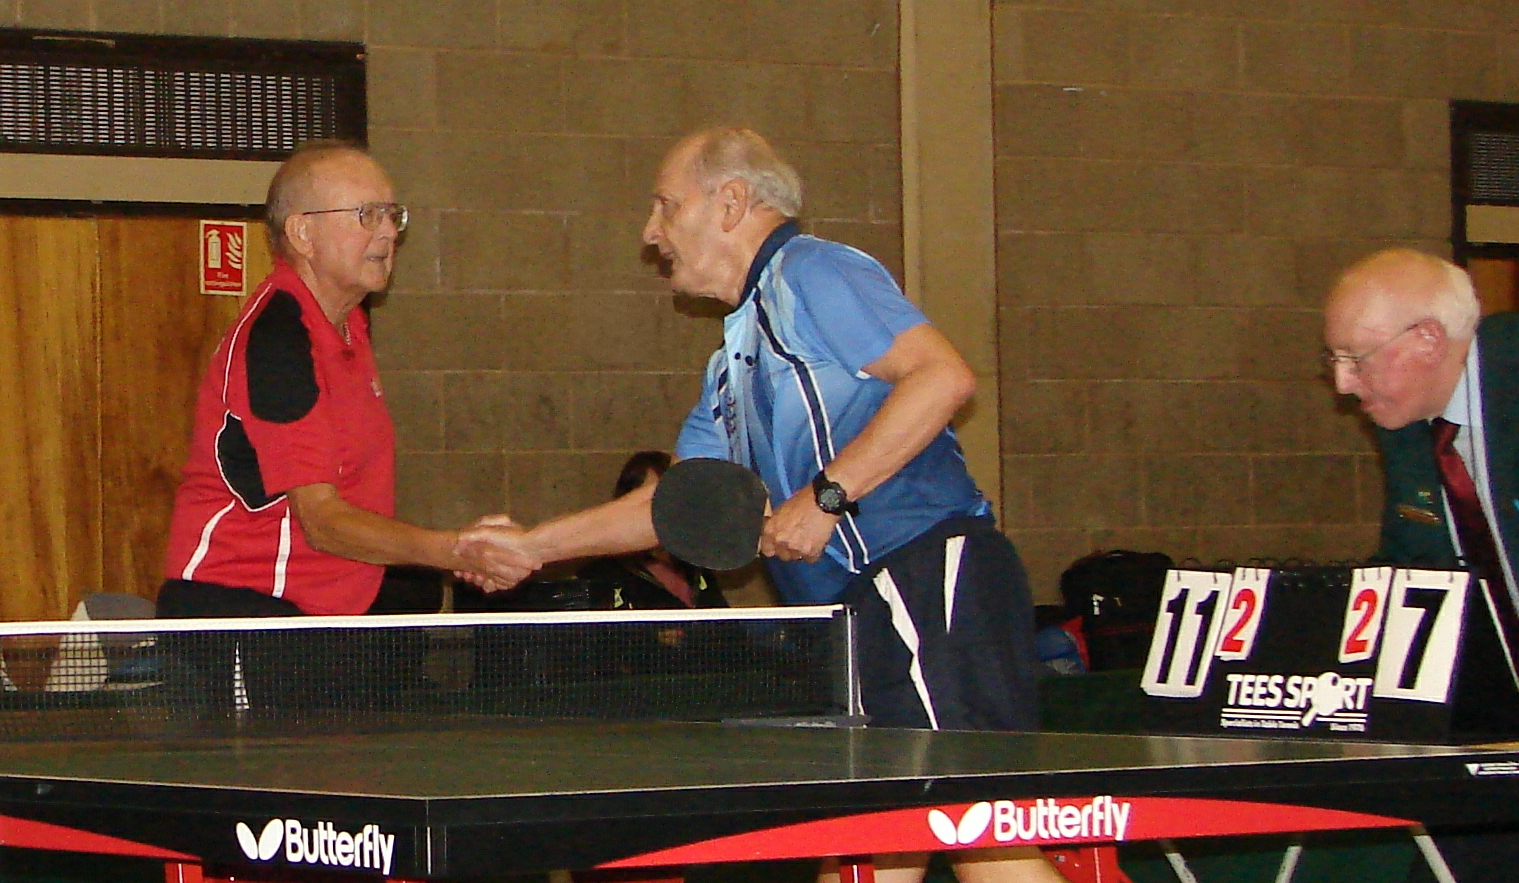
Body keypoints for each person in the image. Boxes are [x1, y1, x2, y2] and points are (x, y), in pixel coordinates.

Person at [461, 127, 1058, 883]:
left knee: (983, 836)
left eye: (665, 206)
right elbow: (676, 506)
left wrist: (826, 495)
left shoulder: (811, 272)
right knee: (873, 850)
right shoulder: (731, 358)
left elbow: (941, 377)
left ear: (732, 202)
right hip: (858, 612)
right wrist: (534, 547)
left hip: (921, 578)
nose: (651, 232)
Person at [159, 141, 538, 620]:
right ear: (303, 232)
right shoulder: (280, 339)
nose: (387, 234)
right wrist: (455, 551)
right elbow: (322, 522)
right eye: (367, 215)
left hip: (321, 615)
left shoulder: (348, 327)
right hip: (246, 611)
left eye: (392, 216)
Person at [1324, 247, 1519, 883]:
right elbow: (1407, 574)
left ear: (1429, 339)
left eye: (1356, 359)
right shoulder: (1407, 421)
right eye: (1335, 361)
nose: (1344, 385)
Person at [576, 451, 726, 610]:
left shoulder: (696, 565)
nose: (664, 510)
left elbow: (727, 628)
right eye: (652, 501)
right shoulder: (602, 575)